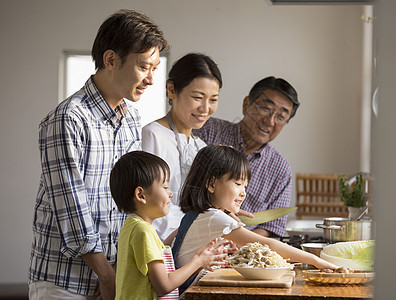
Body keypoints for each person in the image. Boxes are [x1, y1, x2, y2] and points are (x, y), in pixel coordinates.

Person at [28, 9, 168, 300]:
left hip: (115, 276)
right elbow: (71, 206)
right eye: (144, 67)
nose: (151, 79)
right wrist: (105, 274)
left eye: (155, 68)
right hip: (64, 280)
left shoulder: (131, 119)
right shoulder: (69, 118)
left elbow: (132, 199)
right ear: (111, 60)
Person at [172, 145, 338, 293]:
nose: (243, 192)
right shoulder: (214, 217)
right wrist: (316, 260)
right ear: (212, 185)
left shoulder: (196, 215)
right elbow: (268, 244)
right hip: (188, 293)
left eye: (245, 185)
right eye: (237, 184)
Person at [109, 151, 233, 299]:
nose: (171, 194)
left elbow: (164, 277)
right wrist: (198, 260)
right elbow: (164, 285)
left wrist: (201, 263)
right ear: (141, 195)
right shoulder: (143, 232)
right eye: (165, 187)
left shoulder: (130, 226)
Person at [193, 76, 300, 238]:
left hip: (242, 251)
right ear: (246, 105)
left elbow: (272, 228)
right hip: (195, 235)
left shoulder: (281, 170)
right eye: (265, 108)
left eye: (280, 117)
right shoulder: (208, 132)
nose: (270, 121)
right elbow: (185, 186)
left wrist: (235, 243)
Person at [141, 53, 222, 242]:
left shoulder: (200, 146)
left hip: (189, 243)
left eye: (213, 99)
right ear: (171, 90)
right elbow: (147, 205)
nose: (205, 108)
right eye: (197, 97)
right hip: (158, 246)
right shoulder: (153, 135)